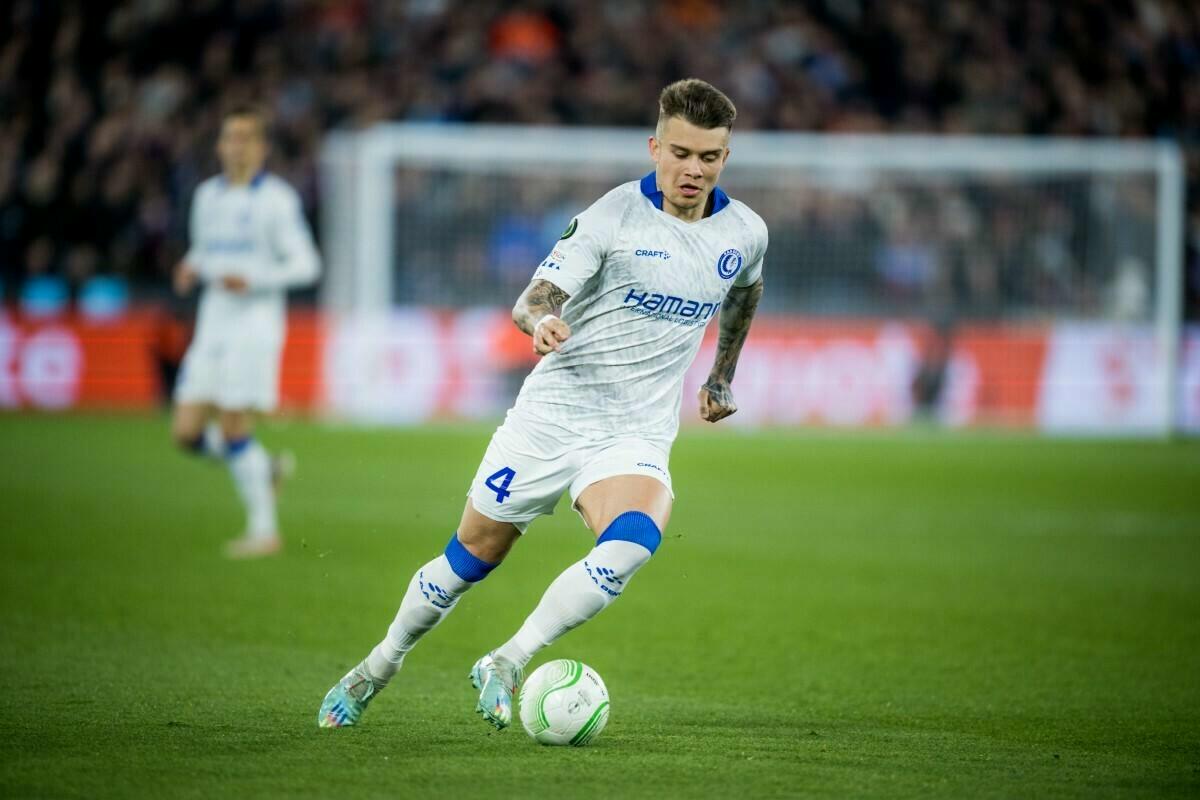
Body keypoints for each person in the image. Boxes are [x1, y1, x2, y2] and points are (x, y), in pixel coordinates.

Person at [318, 79, 766, 729]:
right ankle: (377, 667)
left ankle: (507, 658)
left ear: (725, 157)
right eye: (679, 153)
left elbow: (746, 292)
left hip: (634, 432)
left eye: (708, 157)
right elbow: (534, 298)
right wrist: (542, 321)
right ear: (655, 148)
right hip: (551, 419)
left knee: (634, 541)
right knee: (469, 560)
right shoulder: (612, 218)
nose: (692, 170)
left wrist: (721, 375)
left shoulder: (746, 232)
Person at [170, 106, 321, 558]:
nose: (236, 146)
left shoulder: (277, 200)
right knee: (186, 432)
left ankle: (263, 531)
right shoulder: (206, 196)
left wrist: (254, 280)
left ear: (261, 148)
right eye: (230, 137)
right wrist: (190, 266)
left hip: (255, 325)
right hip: (212, 322)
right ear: (219, 145)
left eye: (245, 138)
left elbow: (307, 264)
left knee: (234, 423)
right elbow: (204, 249)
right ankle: (263, 466)